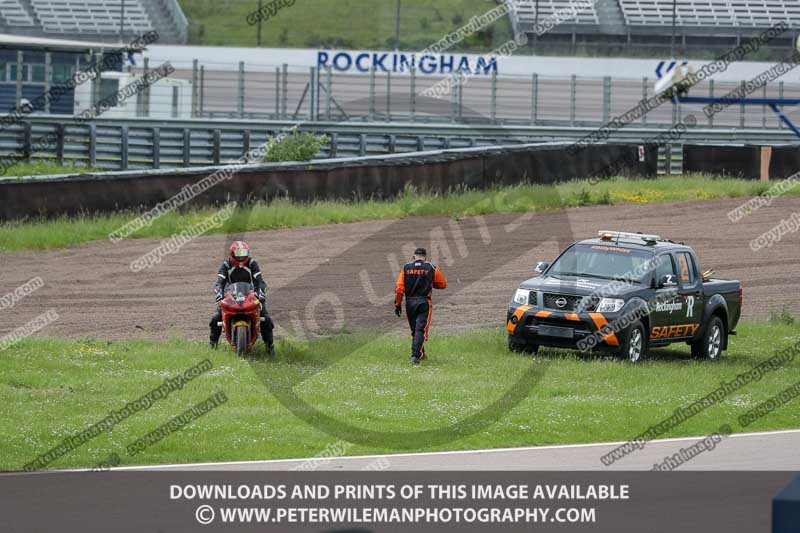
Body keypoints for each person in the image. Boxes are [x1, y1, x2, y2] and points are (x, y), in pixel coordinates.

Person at [209, 241, 275, 354]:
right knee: (215, 319)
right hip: (230, 295)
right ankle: (212, 345)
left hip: (251, 295)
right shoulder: (226, 264)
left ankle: (270, 347)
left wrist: (261, 293)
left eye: (243, 253)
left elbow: (260, 281)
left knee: (266, 319)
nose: (241, 256)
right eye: (238, 253)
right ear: (232, 253)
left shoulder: (252, 263)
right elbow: (219, 282)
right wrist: (219, 292)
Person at [394, 247, 447, 365]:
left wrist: (397, 304)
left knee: (415, 330)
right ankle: (415, 356)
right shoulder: (431, 267)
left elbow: (399, 289)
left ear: (413, 257)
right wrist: (431, 284)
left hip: (410, 303)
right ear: (425, 258)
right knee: (421, 330)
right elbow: (443, 284)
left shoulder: (406, 268)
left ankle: (421, 354)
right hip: (424, 302)